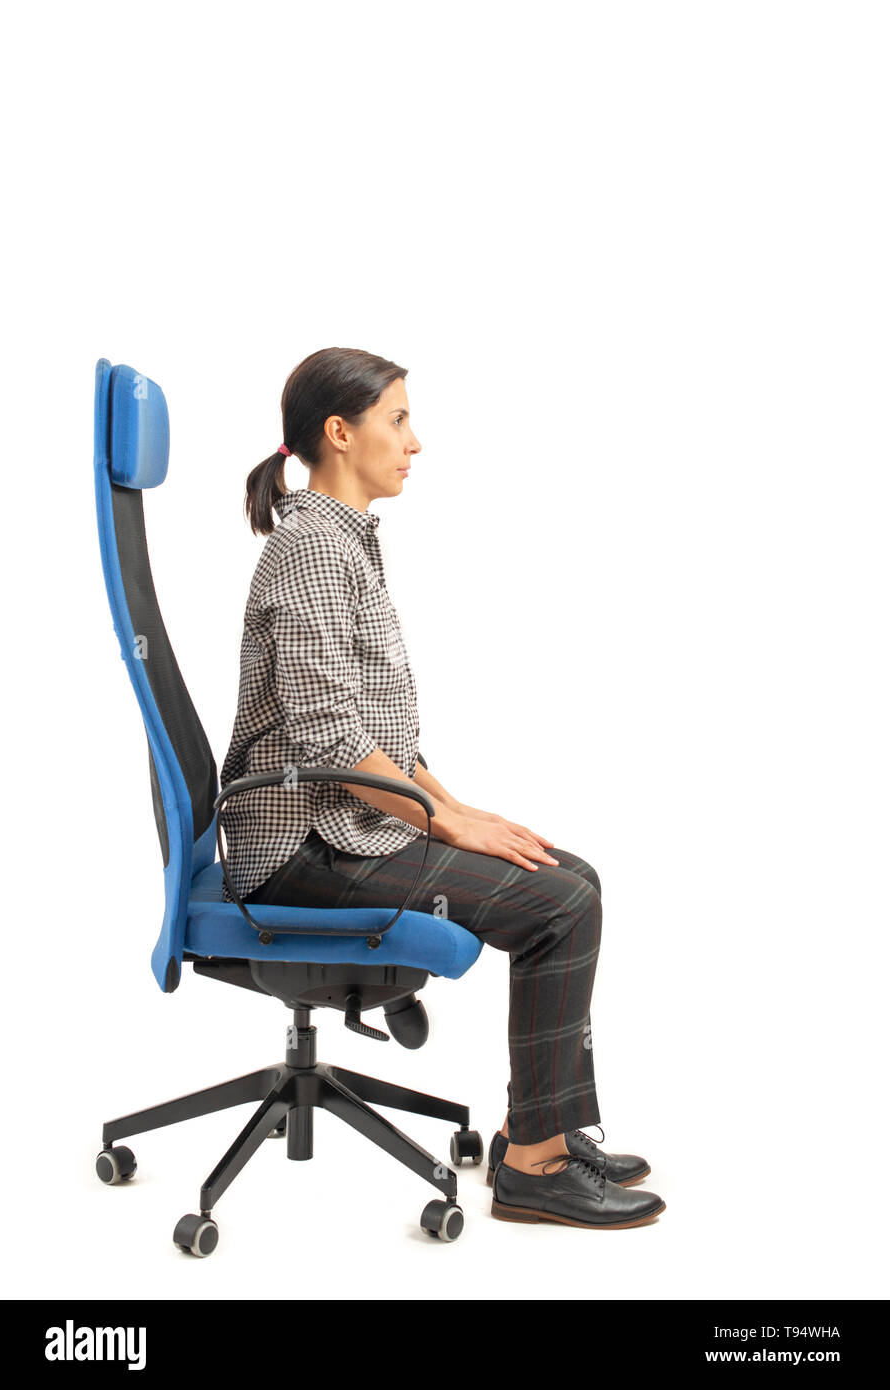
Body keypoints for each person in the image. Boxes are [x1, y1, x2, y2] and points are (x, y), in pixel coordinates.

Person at [219, 346, 665, 1230]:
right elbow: (330, 741)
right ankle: (533, 1171)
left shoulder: (343, 540)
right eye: (397, 419)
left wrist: (457, 811)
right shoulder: (313, 550)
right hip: (301, 852)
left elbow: (373, 734)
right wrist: (446, 828)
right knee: (558, 905)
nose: (414, 441)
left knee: (569, 873)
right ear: (338, 434)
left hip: (341, 823)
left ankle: (537, 1127)